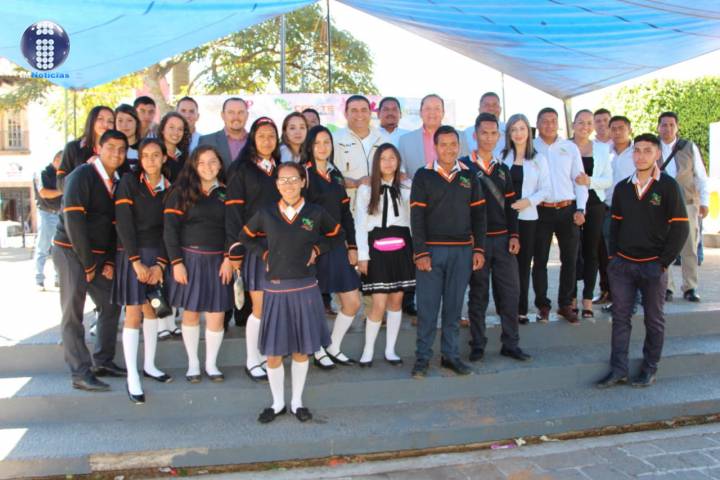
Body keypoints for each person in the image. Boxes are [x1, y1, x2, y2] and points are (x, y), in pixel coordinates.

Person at [240, 162, 337, 423]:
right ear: (276, 184)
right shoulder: (266, 213)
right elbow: (245, 236)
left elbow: (336, 235)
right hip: (275, 290)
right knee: (273, 353)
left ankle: (297, 402)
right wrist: (264, 254)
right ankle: (277, 403)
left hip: (305, 289)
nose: (289, 184)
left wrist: (317, 250)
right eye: (283, 180)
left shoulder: (315, 212)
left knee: (301, 351)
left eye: (294, 179)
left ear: (303, 182)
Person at [597, 133, 689, 389]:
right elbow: (613, 227)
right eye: (637, 150)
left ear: (657, 154)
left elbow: (681, 228)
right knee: (620, 318)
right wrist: (614, 258)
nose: (641, 156)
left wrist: (663, 262)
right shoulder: (622, 188)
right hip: (623, 266)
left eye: (648, 150)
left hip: (653, 266)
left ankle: (650, 368)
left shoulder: (668, 186)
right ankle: (618, 370)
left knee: (654, 319)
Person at [53, 129, 128, 392]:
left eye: (121, 149)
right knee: (73, 312)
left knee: (111, 303)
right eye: (111, 147)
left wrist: (108, 261)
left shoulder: (117, 181)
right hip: (70, 252)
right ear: (98, 148)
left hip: (96, 256)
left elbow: (113, 226)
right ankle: (80, 372)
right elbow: (74, 220)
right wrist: (87, 263)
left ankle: (103, 361)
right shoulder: (81, 175)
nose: (116, 153)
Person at [410, 125, 486, 379]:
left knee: (453, 308)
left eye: (453, 144)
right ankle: (422, 358)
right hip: (431, 253)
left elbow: (479, 215)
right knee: (428, 309)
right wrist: (420, 252)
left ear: (459, 146)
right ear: (435, 147)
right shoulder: (423, 175)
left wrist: (479, 249)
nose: (449, 149)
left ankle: (450, 356)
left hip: (462, 252)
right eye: (443, 144)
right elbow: (417, 217)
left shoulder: (469, 175)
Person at [461, 113, 530, 362]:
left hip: (502, 240)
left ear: (499, 137)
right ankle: (477, 344)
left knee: (510, 293)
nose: (489, 138)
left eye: (493, 133)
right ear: (475, 135)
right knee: (478, 294)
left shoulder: (503, 169)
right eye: (484, 133)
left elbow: (511, 206)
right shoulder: (463, 167)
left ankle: (510, 343)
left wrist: (515, 235)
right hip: (476, 243)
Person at [164, 145, 234, 383]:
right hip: (189, 260)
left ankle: (211, 364)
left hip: (219, 262)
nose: (208, 167)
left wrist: (229, 259)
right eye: (201, 162)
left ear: (220, 164)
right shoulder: (180, 192)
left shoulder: (227, 193)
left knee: (216, 316)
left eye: (213, 161)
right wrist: (176, 262)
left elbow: (233, 229)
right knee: (191, 313)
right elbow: (170, 230)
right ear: (193, 165)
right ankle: (193, 363)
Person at [112, 139, 173, 404]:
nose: (150, 160)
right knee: (134, 312)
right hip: (131, 254)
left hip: (156, 255)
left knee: (153, 310)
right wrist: (136, 262)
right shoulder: (129, 182)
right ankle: (132, 376)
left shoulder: (170, 187)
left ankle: (149, 365)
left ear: (164, 158)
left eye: (156, 155)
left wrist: (160, 264)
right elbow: (123, 223)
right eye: (145, 155)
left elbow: (170, 228)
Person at [225, 117, 282, 381]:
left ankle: (268, 354)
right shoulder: (241, 169)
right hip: (254, 246)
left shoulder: (281, 169)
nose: (267, 141)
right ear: (253, 139)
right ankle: (252, 359)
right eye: (261, 136)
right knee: (259, 306)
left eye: (272, 136)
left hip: (280, 247)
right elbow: (233, 213)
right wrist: (234, 251)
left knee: (274, 305)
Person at [301, 125, 362, 369]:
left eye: (327, 142)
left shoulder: (336, 174)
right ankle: (317, 349)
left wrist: (352, 245)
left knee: (353, 302)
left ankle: (333, 346)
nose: (322, 147)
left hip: (337, 246)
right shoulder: (303, 175)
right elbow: (301, 215)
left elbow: (346, 213)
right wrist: (309, 246)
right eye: (317, 142)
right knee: (314, 305)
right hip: (314, 249)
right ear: (309, 146)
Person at [355, 143, 414, 366]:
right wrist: (363, 255)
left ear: (398, 161)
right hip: (376, 247)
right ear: (376, 162)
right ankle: (368, 350)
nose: (388, 162)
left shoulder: (408, 186)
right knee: (378, 302)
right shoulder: (366, 189)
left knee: (396, 300)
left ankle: (390, 350)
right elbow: (360, 224)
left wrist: (418, 250)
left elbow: (414, 220)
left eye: (392, 158)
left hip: (402, 245)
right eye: (383, 158)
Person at [532, 108, 588, 324]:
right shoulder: (530, 147)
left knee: (570, 259)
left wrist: (581, 208)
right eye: (544, 121)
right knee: (540, 260)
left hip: (567, 210)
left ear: (558, 124)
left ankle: (566, 304)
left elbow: (579, 180)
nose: (549, 125)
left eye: (553, 121)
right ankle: (542, 305)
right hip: (541, 210)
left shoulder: (569, 147)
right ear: (538, 123)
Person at [501, 114, 551, 324]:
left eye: (522, 128)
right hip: (504, 219)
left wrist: (528, 202)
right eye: (514, 129)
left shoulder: (538, 159)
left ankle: (520, 310)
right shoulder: (502, 156)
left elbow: (546, 189)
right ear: (509, 134)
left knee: (523, 265)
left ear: (528, 132)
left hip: (527, 218)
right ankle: (506, 308)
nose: (518, 133)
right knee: (505, 266)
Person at [657, 112, 708, 303]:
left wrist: (704, 202)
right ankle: (666, 287)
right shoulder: (652, 147)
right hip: (660, 205)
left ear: (677, 127)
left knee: (690, 246)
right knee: (663, 246)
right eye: (664, 125)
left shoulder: (689, 147)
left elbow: (700, 176)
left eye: (671, 125)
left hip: (687, 203)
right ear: (658, 127)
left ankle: (690, 287)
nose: (667, 128)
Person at [571, 110, 612, 318]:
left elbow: (608, 180)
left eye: (589, 123)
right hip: (569, 204)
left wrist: (590, 181)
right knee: (571, 253)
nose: (585, 127)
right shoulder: (563, 147)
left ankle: (587, 300)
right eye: (581, 122)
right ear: (573, 124)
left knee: (591, 253)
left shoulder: (602, 149)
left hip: (595, 204)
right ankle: (570, 299)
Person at [597, 116, 635, 309]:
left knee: (633, 254)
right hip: (609, 211)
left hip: (634, 212)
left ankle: (635, 296)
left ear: (629, 130)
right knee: (612, 257)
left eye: (621, 128)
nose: (617, 132)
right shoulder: (604, 152)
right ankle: (616, 296)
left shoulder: (638, 152)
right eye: (614, 128)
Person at [399, 94, 469, 179]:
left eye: (437, 108)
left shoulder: (461, 137)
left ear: (443, 113)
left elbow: (466, 169)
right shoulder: (405, 141)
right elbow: (401, 174)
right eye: (428, 108)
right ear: (420, 113)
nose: (432, 112)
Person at [333, 95, 389, 190]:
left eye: (364, 110)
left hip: (378, 197)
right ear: (346, 114)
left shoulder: (383, 139)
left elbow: (395, 172)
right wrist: (355, 183)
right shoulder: (334, 139)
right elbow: (327, 176)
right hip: (347, 198)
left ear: (370, 113)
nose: (359, 115)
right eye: (354, 110)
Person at [57, 105, 115, 190]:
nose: (106, 124)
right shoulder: (73, 147)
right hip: (81, 197)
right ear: (91, 121)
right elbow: (60, 184)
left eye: (110, 121)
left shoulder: (117, 149)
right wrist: (85, 168)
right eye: (100, 119)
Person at [33, 151, 63, 290]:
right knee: (43, 248)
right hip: (46, 213)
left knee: (59, 248)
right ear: (56, 159)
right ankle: (39, 279)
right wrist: (62, 190)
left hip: (60, 213)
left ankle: (58, 278)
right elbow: (43, 193)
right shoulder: (42, 172)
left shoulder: (62, 174)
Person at [198, 97, 249, 172]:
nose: (236, 117)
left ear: (247, 115)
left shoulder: (256, 141)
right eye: (231, 112)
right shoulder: (207, 141)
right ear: (223, 115)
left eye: (241, 112)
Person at [463, 92, 505, 157]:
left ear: (500, 109)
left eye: (495, 105)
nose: (491, 108)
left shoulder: (510, 130)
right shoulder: (467, 133)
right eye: (486, 105)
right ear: (479, 109)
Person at [157, 112, 191, 182]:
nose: (176, 132)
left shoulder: (185, 156)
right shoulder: (155, 155)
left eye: (180, 129)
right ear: (162, 130)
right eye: (171, 127)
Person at [114, 104, 142, 170]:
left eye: (129, 120)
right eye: (120, 120)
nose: (124, 125)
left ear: (137, 123)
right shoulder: (109, 148)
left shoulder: (145, 147)